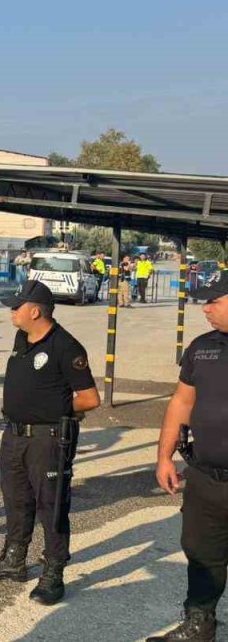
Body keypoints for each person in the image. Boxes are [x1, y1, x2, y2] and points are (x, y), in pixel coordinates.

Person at [0, 279, 101, 605]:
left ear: (35, 310)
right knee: (16, 499)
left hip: (48, 439)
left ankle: (54, 571)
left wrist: (55, 410)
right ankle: (14, 558)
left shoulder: (66, 347)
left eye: (17, 307)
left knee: (52, 505)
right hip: (14, 435)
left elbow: (89, 398)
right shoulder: (22, 337)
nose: (12, 312)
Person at [148, 274, 228, 641]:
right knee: (201, 554)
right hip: (206, 477)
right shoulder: (201, 347)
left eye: (214, 300)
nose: (205, 307)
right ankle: (200, 626)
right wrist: (164, 457)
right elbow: (182, 401)